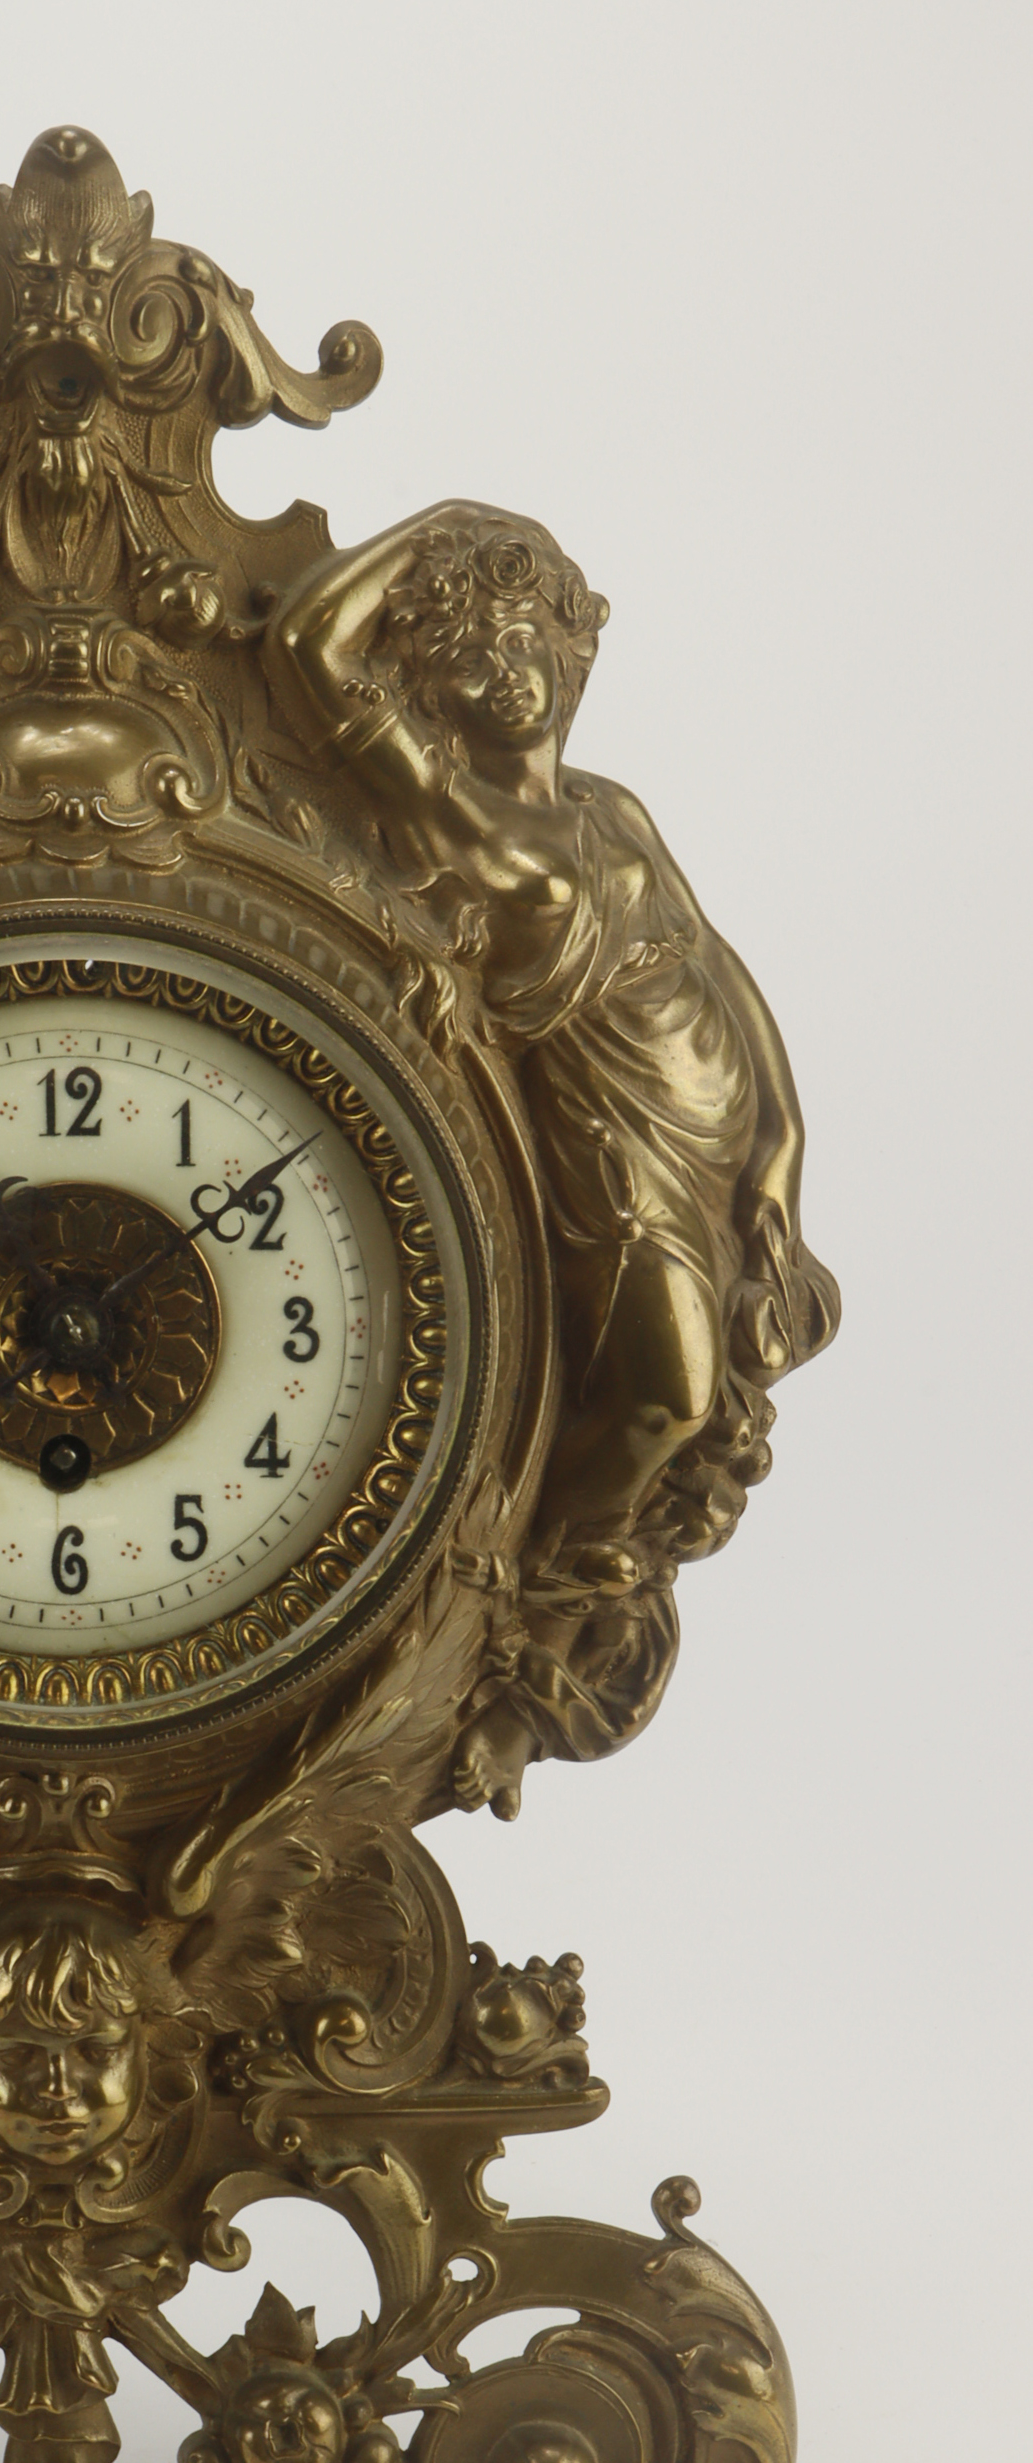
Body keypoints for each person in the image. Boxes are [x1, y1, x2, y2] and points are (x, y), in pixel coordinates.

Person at [272, 504, 839, 1814]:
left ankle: (548, 1579)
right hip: (615, 1160)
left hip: (713, 1144)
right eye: (473, 651)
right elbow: (309, 647)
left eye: (532, 639)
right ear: (435, 685)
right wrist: (438, 534)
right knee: (666, 1396)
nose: (512, 669)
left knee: (692, 1393)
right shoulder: (446, 816)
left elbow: (722, 983)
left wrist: (777, 1168)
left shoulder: (609, 811)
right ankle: (530, 1581)